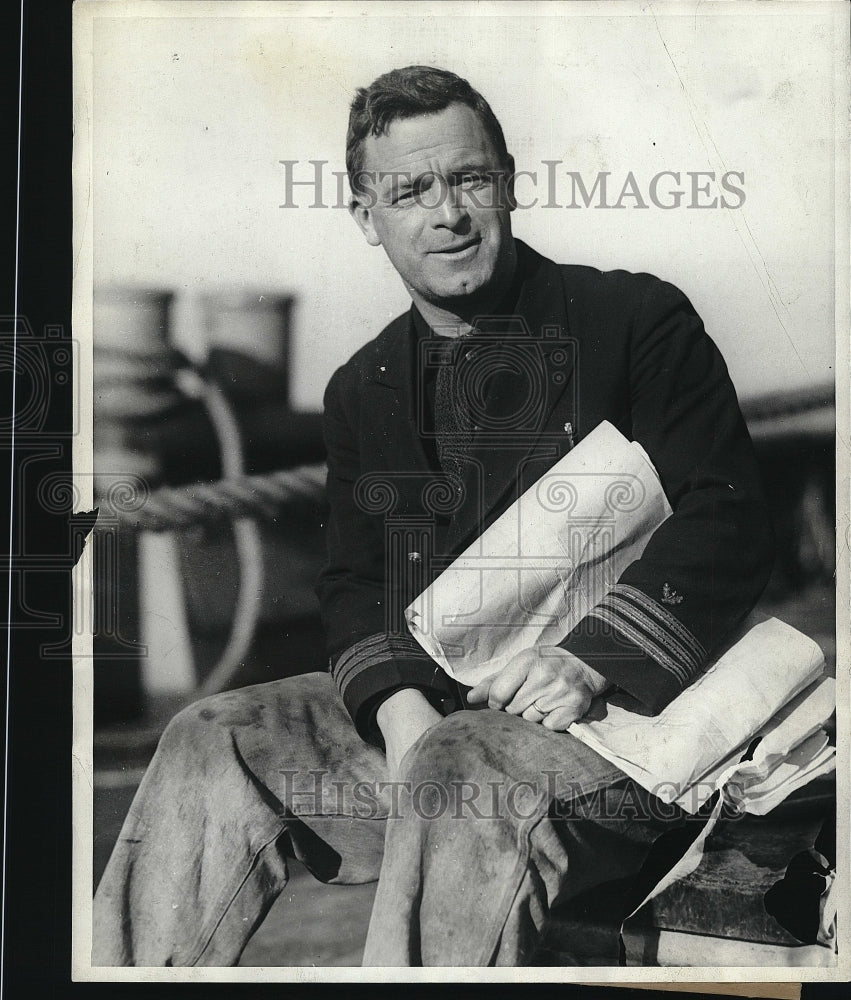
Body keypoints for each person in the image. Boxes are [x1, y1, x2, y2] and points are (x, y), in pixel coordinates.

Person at [92, 66, 774, 967]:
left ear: (510, 183)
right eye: (410, 190)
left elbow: (725, 519)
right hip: (449, 723)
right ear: (366, 217)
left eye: (469, 180)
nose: (446, 213)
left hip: (631, 732)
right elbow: (356, 584)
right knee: (213, 737)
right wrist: (399, 710)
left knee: (461, 767)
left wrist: (587, 662)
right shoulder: (362, 388)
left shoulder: (635, 320)